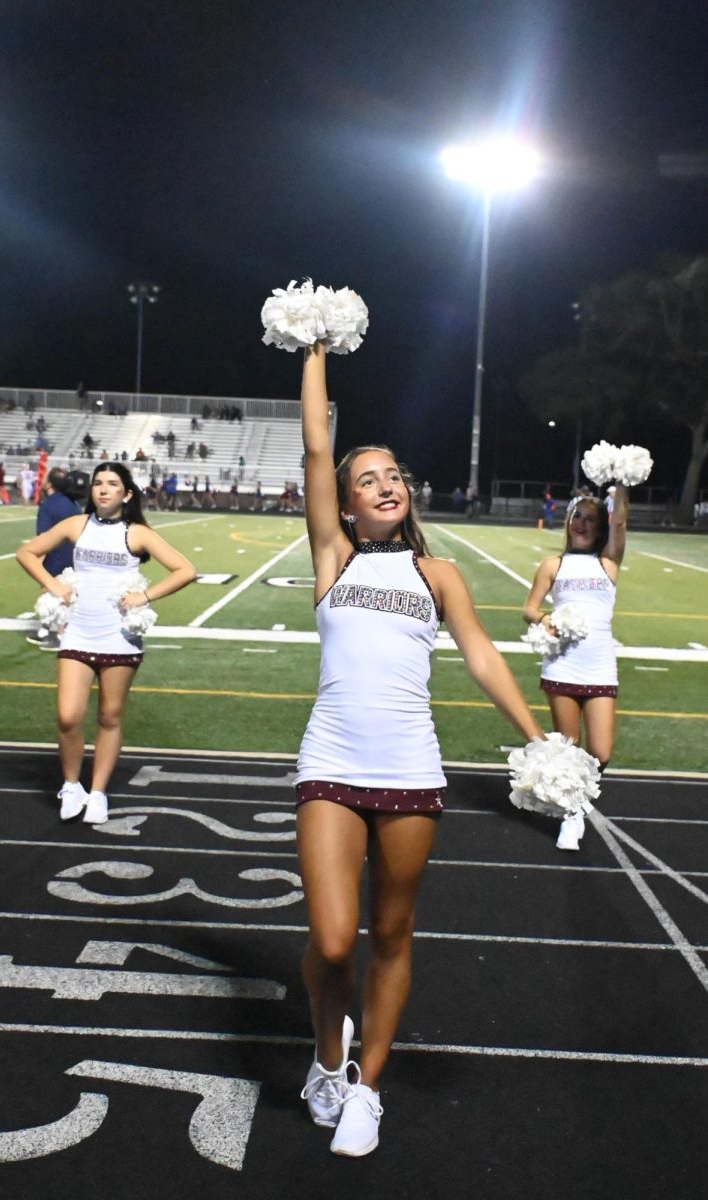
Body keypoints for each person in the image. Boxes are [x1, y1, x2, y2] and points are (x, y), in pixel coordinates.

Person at [295, 343, 543, 1157]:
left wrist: (540, 739)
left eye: (392, 473)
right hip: (331, 760)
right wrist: (315, 347)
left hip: (409, 767)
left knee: (392, 935)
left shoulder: (438, 575)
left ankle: (367, 1089)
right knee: (333, 941)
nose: (384, 483)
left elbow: (479, 656)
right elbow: (315, 448)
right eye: (368, 478)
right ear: (346, 502)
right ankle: (326, 1060)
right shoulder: (331, 558)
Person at [16, 462, 196, 824]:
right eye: (98, 483)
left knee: (109, 716)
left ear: (126, 494)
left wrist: (145, 597)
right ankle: (71, 785)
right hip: (78, 632)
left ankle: (97, 791)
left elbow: (185, 570)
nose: (102, 489)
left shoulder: (137, 533)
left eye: (112, 484)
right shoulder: (76, 526)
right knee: (68, 716)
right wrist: (54, 586)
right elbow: (27, 553)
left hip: (120, 638)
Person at [522, 486, 628, 851]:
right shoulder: (553, 565)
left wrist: (622, 485)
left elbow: (622, 522)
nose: (582, 523)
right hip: (562, 666)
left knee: (601, 752)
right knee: (569, 747)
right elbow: (529, 608)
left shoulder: (608, 562)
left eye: (591, 519)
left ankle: (577, 800)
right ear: (568, 521)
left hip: (599, 667)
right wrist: (548, 619)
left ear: (601, 529)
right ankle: (572, 814)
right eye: (577, 516)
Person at [26, 467, 81, 650]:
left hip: (55, 556)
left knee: (52, 595)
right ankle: (46, 631)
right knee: (65, 595)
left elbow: (43, 538)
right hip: (74, 556)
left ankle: (59, 635)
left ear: (49, 483)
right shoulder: (73, 504)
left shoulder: (48, 505)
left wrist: (37, 563)